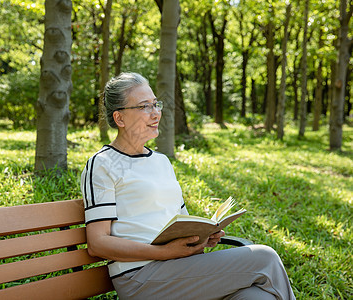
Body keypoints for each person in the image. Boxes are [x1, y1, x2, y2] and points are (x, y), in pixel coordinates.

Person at [81, 72, 296, 300]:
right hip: (140, 278)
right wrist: (163, 253)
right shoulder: (103, 164)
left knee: (256, 298)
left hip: (179, 269)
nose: (156, 113)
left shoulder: (161, 161)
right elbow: (97, 243)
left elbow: (181, 225)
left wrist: (201, 238)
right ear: (120, 118)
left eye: (156, 104)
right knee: (265, 257)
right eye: (144, 107)